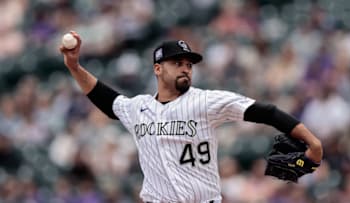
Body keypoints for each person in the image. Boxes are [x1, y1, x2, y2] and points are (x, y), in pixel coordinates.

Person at [60, 31, 323, 203]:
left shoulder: (205, 101)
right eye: (178, 63)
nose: (186, 68)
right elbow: (106, 98)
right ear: (158, 69)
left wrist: (311, 141)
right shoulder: (137, 108)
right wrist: (74, 67)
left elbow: (265, 111)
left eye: (189, 64)